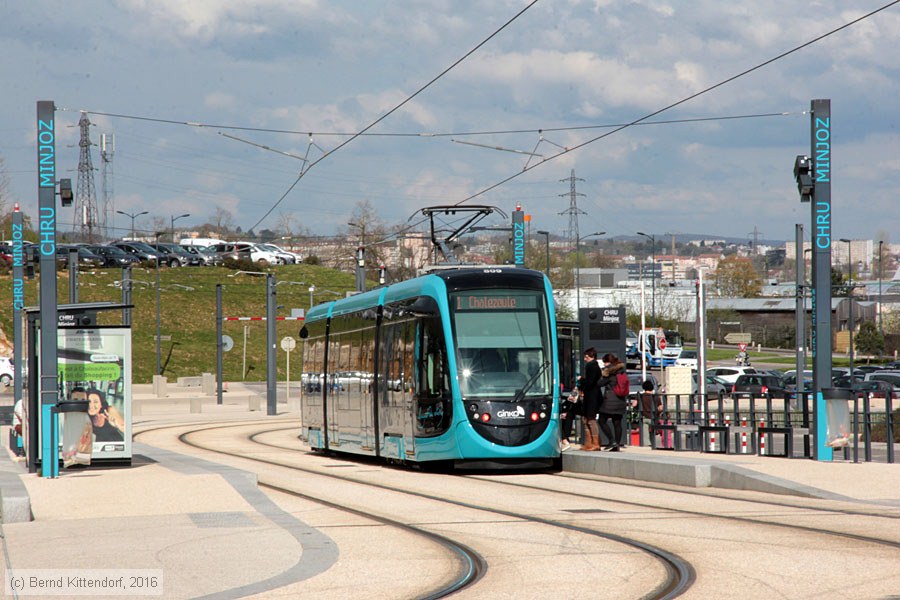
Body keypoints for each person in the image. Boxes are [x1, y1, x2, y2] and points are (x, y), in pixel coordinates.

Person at [597, 353, 628, 451]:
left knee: (602, 420)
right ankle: (617, 445)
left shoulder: (609, 373)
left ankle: (612, 441)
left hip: (609, 401)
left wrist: (602, 374)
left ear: (608, 362)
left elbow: (599, 383)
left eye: (605, 362)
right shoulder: (621, 371)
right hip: (620, 400)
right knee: (617, 423)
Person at [578, 347, 602, 451]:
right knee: (586, 419)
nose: (585, 358)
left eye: (586, 356)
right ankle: (589, 443)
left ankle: (594, 443)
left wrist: (582, 381)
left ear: (591, 356)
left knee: (590, 419)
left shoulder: (591, 367)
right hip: (591, 396)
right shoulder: (594, 366)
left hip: (592, 397)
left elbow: (590, 383)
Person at [634, 379, 662, 446]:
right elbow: (660, 408)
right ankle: (653, 443)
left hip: (644, 417)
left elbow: (634, 404)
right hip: (654, 417)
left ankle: (647, 444)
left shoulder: (641, 396)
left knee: (645, 432)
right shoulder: (656, 397)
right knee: (652, 431)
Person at [559, 383, 581, 451]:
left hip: (568, 410)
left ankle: (565, 438)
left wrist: (566, 412)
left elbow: (572, 402)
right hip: (561, 410)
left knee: (569, 416)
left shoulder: (575, 390)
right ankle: (564, 438)